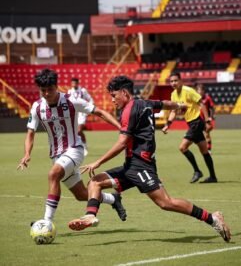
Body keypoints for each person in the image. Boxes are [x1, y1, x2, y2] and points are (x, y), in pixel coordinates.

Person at [68, 75, 231, 243]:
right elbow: (164, 104)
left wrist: (98, 161)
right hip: (131, 165)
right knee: (95, 182)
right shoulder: (144, 103)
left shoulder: (129, 110)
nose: (112, 100)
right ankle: (90, 216)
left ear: (124, 92)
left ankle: (212, 218)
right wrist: (178, 105)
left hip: (141, 166)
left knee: (166, 203)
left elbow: (122, 142)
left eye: (114, 95)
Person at [17, 69, 127, 224]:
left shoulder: (71, 100)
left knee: (53, 175)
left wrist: (121, 128)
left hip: (74, 150)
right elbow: (30, 133)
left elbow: (99, 112)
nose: (47, 93)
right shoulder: (36, 107)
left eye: (50, 89)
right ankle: (112, 198)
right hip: (57, 155)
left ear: (57, 86)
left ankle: (47, 221)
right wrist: (27, 153)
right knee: (81, 194)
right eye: (43, 90)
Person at [162, 72, 217, 184]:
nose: (173, 83)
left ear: (181, 81)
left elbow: (202, 104)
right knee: (204, 150)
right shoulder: (173, 95)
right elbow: (173, 110)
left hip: (196, 121)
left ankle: (197, 171)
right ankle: (213, 177)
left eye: (175, 80)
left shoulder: (188, 91)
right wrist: (168, 124)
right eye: (171, 81)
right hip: (191, 123)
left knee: (182, 147)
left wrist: (207, 120)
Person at [68, 78, 94, 156]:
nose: (74, 85)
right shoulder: (70, 91)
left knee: (79, 130)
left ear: (77, 83)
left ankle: (84, 147)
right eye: (72, 83)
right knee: (75, 131)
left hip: (82, 114)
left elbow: (90, 99)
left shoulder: (83, 91)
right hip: (74, 113)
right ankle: (76, 147)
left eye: (75, 83)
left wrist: (89, 109)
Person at [196, 83, 215, 153]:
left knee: (206, 134)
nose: (199, 92)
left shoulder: (207, 98)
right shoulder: (196, 99)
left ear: (204, 91)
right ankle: (204, 149)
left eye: (201, 91)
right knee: (199, 135)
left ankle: (209, 150)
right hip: (198, 120)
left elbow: (212, 108)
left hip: (206, 120)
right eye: (198, 91)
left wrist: (211, 117)